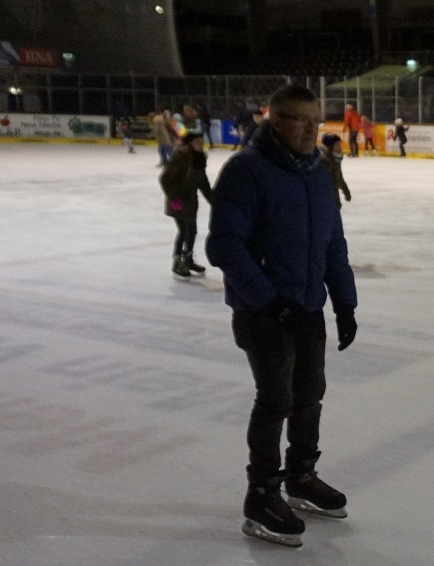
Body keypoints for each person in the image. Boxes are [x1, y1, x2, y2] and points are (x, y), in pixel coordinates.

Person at [207, 84, 358, 548]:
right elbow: (223, 245)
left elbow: (332, 242)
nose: (312, 130)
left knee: (309, 396)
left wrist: (345, 302)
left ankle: (301, 477)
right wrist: (269, 301)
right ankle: (261, 496)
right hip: (264, 313)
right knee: (275, 400)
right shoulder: (246, 171)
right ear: (275, 121)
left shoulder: (318, 171)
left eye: (317, 121)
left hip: (308, 307)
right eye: (300, 120)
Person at [159, 132, 212, 280]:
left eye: (201, 141)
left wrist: (214, 201)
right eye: (197, 141)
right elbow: (165, 178)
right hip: (178, 201)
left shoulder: (199, 158)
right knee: (184, 230)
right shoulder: (180, 156)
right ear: (189, 143)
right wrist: (173, 198)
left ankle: (188, 259)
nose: (200, 144)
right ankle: (177, 262)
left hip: (191, 202)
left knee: (192, 231)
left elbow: (203, 183)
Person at [320, 133, 351, 208]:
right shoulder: (322, 159)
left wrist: (345, 190)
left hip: (333, 195)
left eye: (340, 144)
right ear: (330, 146)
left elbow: (338, 177)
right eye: (337, 144)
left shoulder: (335, 158)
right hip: (322, 197)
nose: (340, 147)